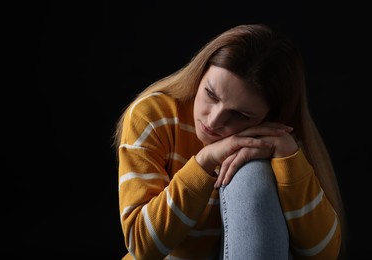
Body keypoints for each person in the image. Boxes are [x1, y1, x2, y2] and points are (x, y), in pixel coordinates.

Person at [113, 24, 347, 259]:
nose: (213, 121)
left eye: (240, 115)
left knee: (253, 171)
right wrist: (204, 161)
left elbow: (325, 255)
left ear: (270, 118)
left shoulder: (277, 138)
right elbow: (140, 245)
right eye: (211, 94)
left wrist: (288, 158)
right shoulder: (153, 116)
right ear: (200, 73)